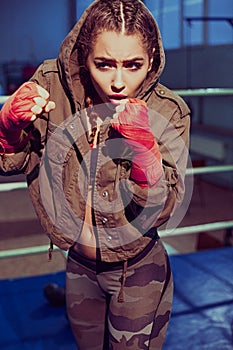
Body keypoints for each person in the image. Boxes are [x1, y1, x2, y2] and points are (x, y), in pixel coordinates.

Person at [0, 0, 190, 348]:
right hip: (78, 265)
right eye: (103, 65)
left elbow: (165, 209)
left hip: (137, 268)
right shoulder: (52, 87)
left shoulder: (167, 111)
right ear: (84, 56)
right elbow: (9, 164)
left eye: (133, 66)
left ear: (151, 59)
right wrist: (7, 130)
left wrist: (144, 156)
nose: (119, 82)